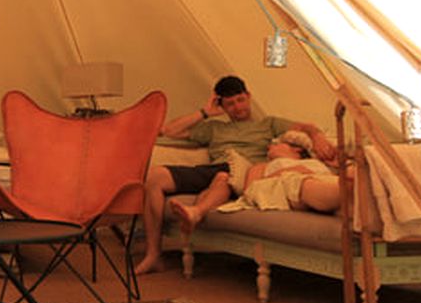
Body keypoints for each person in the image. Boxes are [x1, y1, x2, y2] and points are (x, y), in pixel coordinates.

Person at [133, 75, 337, 275]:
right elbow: (168, 130)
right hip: (213, 168)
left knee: (223, 177)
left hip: (244, 171)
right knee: (153, 177)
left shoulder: (268, 124)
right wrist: (205, 112)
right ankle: (154, 255)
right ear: (222, 106)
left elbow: (305, 127)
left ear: (248, 96)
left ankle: (196, 212)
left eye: (240, 100)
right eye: (230, 104)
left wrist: (317, 137)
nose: (238, 107)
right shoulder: (214, 128)